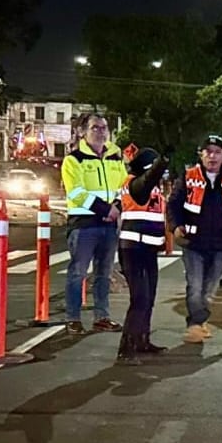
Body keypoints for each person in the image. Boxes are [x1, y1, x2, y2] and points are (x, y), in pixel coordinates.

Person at [167, 134, 222, 343]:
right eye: (208, 152)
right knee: (195, 285)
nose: (212, 156)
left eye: (217, 152)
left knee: (210, 288)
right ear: (201, 154)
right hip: (193, 242)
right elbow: (173, 205)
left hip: (219, 244)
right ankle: (195, 325)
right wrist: (176, 226)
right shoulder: (189, 176)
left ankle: (200, 320)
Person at [59, 113, 127, 334]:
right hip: (84, 224)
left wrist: (117, 205)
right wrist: (107, 209)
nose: (100, 132)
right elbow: (77, 193)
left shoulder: (115, 158)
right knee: (78, 272)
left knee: (104, 274)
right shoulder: (74, 159)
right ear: (83, 132)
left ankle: (102, 316)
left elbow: (124, 187)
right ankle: (73, 318)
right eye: (95, 128)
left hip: (109, 225)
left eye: (104, 128)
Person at [116, 146, 171, 363]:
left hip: (148, 250)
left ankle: (142, 341)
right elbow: (147, 180)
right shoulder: (134, 184)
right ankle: (126, 350)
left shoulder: (151, 187)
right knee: (139, 299)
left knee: (148, 298)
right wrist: (163, 161)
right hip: (134, 249)